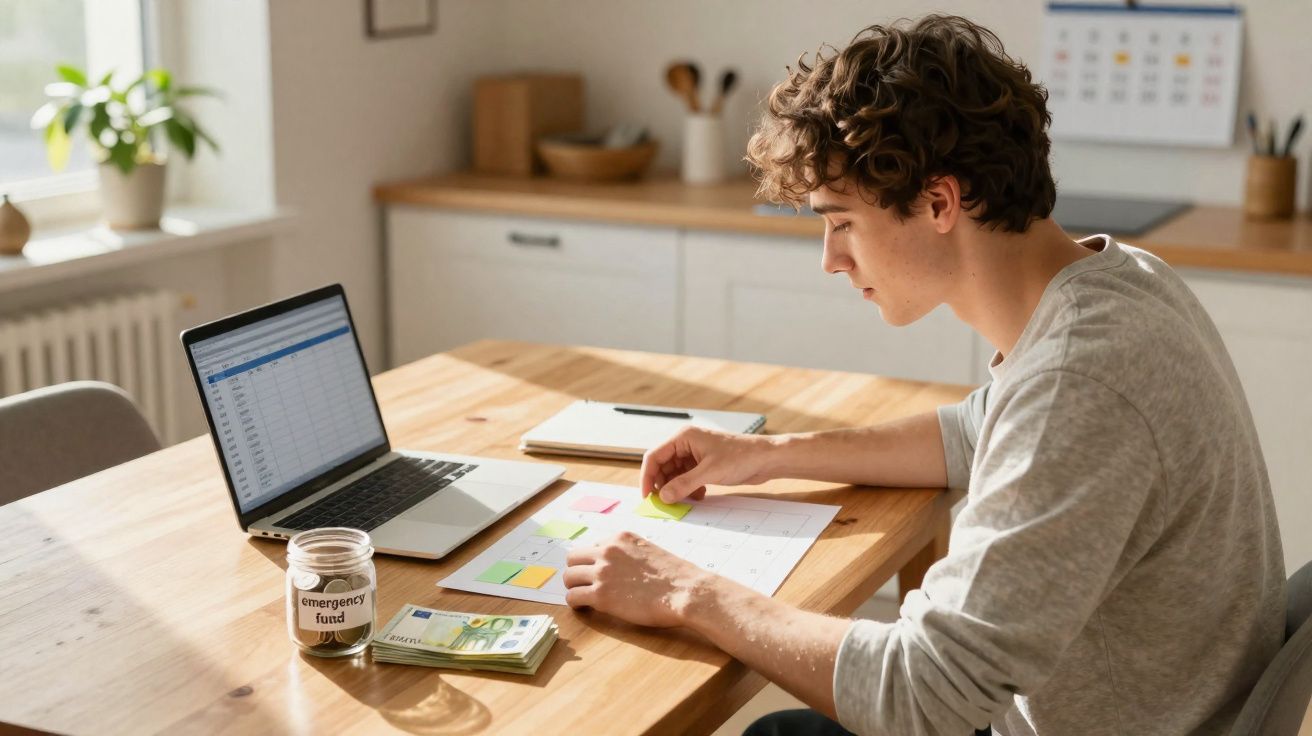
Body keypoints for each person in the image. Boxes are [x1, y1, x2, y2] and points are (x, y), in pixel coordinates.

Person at [561, 14, 1286, 736]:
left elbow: (927, 693)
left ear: (939, 202)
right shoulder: (1115, 283)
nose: (831, 259)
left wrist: (689, 592)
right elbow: (980, 433)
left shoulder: (1081, 379)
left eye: (841, 221)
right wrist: (767, 456)